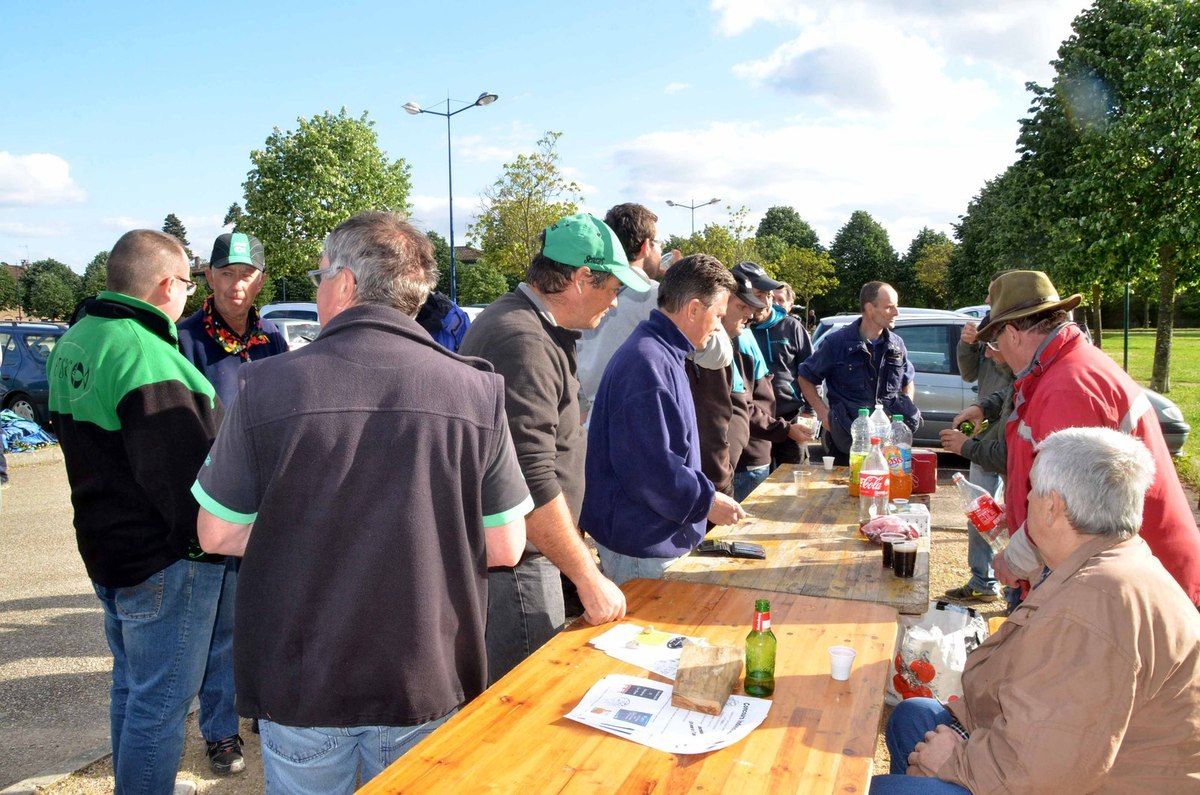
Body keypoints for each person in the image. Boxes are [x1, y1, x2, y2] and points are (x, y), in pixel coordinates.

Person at [194, 212, 530, 793]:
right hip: (425, 677)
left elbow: (216, 535)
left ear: (345, 284)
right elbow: (505, 546)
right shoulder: (477, 390)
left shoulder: (267, 387)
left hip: (305, 683)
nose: (317, 287)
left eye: (320, 275)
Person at [872, 427, 1200, 793]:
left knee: (882, 788)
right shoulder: (1108, 561)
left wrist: (953, 762)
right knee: (913, 716)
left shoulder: (1092, 606)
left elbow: (1043, 775)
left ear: (1052, 507)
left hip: (1092, 782)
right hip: (1067, 764)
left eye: (1031, 492)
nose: (1026, 501)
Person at [46, 229, 225, 795]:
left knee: (133, 687)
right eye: (187, 283)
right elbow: (182, 481)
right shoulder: (145, 354)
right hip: (163, 561)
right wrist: (205, 545)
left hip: (106, 548)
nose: (190, 296)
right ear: (167, 284)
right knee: (162, 705)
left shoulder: (77, 338)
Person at [459, 213, 642, 682]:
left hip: (532, 553)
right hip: (520, 566)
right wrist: (586, 575)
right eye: (613, 290)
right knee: (523, 705)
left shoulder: (535, 329)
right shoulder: (523, 339)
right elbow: (530, 477)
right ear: (582, 278)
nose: (616, 305)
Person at [963, 270, 1200, 605]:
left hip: (1139, 588)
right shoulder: (1061, 370)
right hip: (1120, 576)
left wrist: (1013, 560)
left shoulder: (1069, 387)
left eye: (994, 342)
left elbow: (1069, 509)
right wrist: (1016, 507)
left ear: (1013, 334)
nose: (991, 353)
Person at [177, 231, 288, 775]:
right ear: (209, 277)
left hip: (268, 498)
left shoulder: (272, 340)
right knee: (221, 625)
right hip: (220, 500)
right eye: (227, 273)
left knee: (267, 613)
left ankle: (264, 706)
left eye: (247, 274)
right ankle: (221, 731)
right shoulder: (186, 340)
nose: (237, 284)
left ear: (260, 279)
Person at [581, 254, 746, 584]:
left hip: (651, 535)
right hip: (643, 543)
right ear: (694, 309)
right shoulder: (648, 363)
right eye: (718, 316)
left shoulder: (661, 353)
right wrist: (706, 501)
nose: (718, 327)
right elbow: (650, 469)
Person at [937, 276, 1014, 605]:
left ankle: (1016, 588)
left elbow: (1011, 389)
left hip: (1009, 438)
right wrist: (968, 345)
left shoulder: (1020, 343)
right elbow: (968, 373)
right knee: (980, 510)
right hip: (984, 431)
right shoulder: (987, 330)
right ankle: (984, 579)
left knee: (1016, 514)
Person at [796, 281, 920, 464]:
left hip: (889, 445)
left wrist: (905, 407)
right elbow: (805, 377)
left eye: (896, 307)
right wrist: (825, 415)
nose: (896, 313)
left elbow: (907, 380)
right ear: (870, 309)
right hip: (848, 442)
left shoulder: (897, 344)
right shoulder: (837, 343)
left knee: (884, 490)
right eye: (889, 307)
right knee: (843, 491)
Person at [576, 203, 678, 420]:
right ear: (646, 246)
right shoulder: (658, 296)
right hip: (640, 420)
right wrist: (681, 284)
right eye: (659, 243)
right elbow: (714, 355)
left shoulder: (584, 290)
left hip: (591, 421)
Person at [736, 262, 812, 465]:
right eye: (759, 295)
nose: (766, 303)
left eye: (769, 296)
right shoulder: (737, 331)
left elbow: (809, 372)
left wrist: (810, 411)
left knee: (794, 484)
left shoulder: (792, 327)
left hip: (790, 416)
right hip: (754, 424)